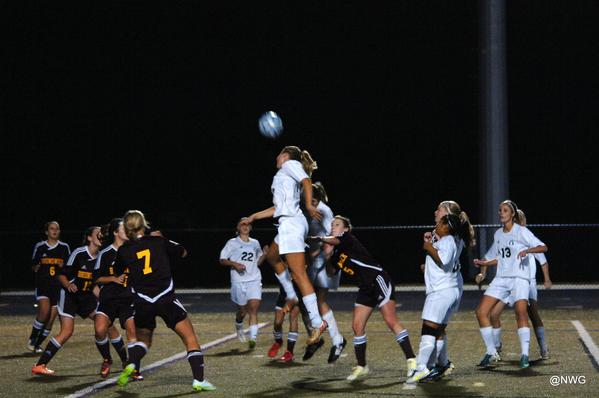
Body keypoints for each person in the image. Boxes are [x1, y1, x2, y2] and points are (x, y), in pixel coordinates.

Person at [114, 210, 215, 391]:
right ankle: (199, 380)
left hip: (143, 301)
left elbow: (117, 271)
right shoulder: (158, 241)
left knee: (144, 341)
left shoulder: (124, 250)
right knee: (190, 338)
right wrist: (162, 241)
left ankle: (132, 362)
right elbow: (183, 252)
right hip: (165, 297)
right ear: (144, 224)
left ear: (127, 228)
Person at [242, 146, 327, 345]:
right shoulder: (282, 175)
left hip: (292, 224)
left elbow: (307, 181)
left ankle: (317, 322)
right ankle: (291, 294)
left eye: (279, 153)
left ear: (286, 156)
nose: (277, 156)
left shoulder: (290, 164)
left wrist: (308, 204)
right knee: (272, 256)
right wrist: (254, 216)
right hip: (286, 223)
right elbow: (278, 208)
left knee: (299, 274)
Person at [316, 215, 416, 381]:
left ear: (346, 229)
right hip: (365, 288)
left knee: (391, 321)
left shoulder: (348, 238)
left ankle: (412, 361)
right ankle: (362, 366)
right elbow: (331, 272)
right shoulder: (336, 253)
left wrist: (319, 238)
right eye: (332, 225)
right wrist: (327, 256)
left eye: (337, 224)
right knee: (357, 326)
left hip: (378, 279)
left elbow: (335, 239)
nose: (333, 227)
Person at [474, 200, 548, 369]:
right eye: (500, 210)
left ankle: (524, 355)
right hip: (501, 279)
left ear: (512, 214)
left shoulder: (521, 232)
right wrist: (483, 263)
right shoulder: (498, 234)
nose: (501, 213)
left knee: (521, 312)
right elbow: (501, 258)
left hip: (519, 278)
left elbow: (543, 247)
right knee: (481, 312)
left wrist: (527, 250)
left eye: (505, 210)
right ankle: (492, 351)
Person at [407, 211, 473, 384]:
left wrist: (429, 247)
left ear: (446, 226)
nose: (436, 225)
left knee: (428, 331)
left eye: (439, 223)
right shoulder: (452, 240)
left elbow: (443, 260)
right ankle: (433, 366)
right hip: (448, 290)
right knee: (436, 331)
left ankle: (421, 367)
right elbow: (443, 262)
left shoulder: (448, 240)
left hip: (440, 292)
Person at [32, 226, 103, 375]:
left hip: (85, 297)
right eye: (98, 233)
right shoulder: (78, 253)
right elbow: (61, 274)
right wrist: (68, 284)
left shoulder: (101, 257)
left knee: (102, 322)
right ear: (90, 238)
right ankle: (40, 364)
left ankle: (110, 360)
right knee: (67, 332)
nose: (101, 235)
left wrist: (104, 299)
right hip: (69, 297)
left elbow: (94, 284)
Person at [94, 218, 139, 379]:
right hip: (108, 300)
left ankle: (133, 367)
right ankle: (107, 359)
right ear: (115, 232)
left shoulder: (133, 250)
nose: (127, 231)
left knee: (132, 334)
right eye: (122, 228)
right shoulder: (105, 253)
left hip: (127, 300)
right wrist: (112, 279)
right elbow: (96, 278)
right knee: (100, 331)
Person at [305, 182, 345, 362]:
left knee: (319, 301)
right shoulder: (309, 208)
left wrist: (318, 249)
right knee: (306, 301)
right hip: (315, 259)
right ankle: (319, 338)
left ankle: (337, 340)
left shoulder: (324, 211)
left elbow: (334, 236)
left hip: (325, 258)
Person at [219, 218, 267, 349]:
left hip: (254, 279)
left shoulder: (255, 243)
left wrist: (264, 255)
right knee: (242, 311)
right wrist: (234, 264)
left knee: (253, 309)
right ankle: (239, 324)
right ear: (238, 228)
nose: (246, 226)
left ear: (251, 228)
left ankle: (253, 339)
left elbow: (257, 263)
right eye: (243, 224)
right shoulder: (232, 243)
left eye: (248, 224)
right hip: (238, 280)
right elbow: (222, 259)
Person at [27, 221, 71, 353]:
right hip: (43, 285)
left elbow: (69, 267)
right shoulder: (40, 247)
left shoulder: (64, 247)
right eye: (52, 229)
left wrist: (65, 269)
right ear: (47, 232)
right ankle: (32, 339)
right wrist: (36, 267)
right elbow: (34, 265)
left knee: (51, 319)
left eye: (57, 229)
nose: (55, 231)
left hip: (58, 287)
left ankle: (37, 345)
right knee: (44, 311)